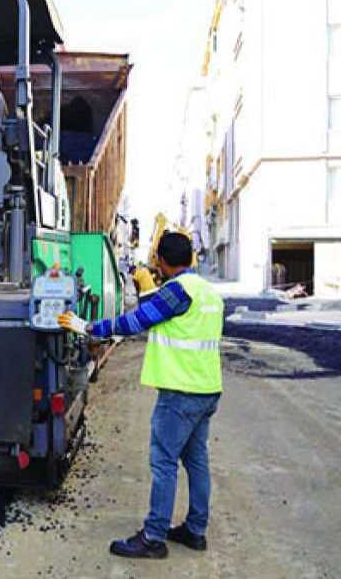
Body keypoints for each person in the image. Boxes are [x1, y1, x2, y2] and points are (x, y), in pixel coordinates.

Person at [58, 232, 223, 560]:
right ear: (191, 258)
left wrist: (87, 327)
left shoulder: (177, 291)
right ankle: (195, 530)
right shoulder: (208, 292)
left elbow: (135, 321)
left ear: (161, 261)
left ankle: (153, 537)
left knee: (164, 463)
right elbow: (169, 320)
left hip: (180, 393)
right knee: (196, 461)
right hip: (206, 389)